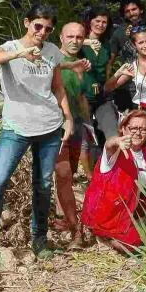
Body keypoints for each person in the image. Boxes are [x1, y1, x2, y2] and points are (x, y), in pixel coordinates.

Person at [0, 3, 73, 259]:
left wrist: (67, 116)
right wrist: (18, 55)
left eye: (48, 29)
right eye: (38, 25)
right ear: (27, 22)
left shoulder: (51, 52)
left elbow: (58, 86)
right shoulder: (10, 48)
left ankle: (39, 240)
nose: (42, 32)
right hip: (16, 127)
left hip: (49, 126)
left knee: (43, 184)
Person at [81, 109, 146, 251]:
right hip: (111, 214)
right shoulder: (115, 151)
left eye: (144, 129)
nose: (138, 133)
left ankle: (140, 229)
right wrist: (117, 140)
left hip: (131, 212)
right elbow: (109, 144)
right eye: (133, 128)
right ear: (123, 128)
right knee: (137, 243)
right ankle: (108, 237)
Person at [104, 27, 146, 196]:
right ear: (134, 46)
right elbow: (109, 87)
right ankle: (142, 191)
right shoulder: (133, 66)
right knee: (141, 151)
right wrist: (118, 72)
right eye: (141, 42)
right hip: (142, 113)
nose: (145, 45)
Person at [54, 21, 92, 248]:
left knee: (67, 174)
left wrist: (89, 125)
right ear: (61, 37)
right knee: (64, 173)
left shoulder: (80, 65)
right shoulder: (52, 60)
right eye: (70, 36)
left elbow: (80, 96)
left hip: (77, 125)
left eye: (79, 37)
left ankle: (62, 217)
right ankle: (74, 226)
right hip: (55, 126)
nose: (75, 41)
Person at [81, 4, 114, 163]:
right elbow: (65, 49)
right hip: (83, 95)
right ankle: (89, 176)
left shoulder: (106, 44)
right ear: (90, 21)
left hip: (102, 95)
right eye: (98, 21)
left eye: (104, 22)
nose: (101, 25)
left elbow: (107, 70)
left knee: (110, 132)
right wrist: (86, 42)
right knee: (88, 137)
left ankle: (108, 169)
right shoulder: (79, 40)